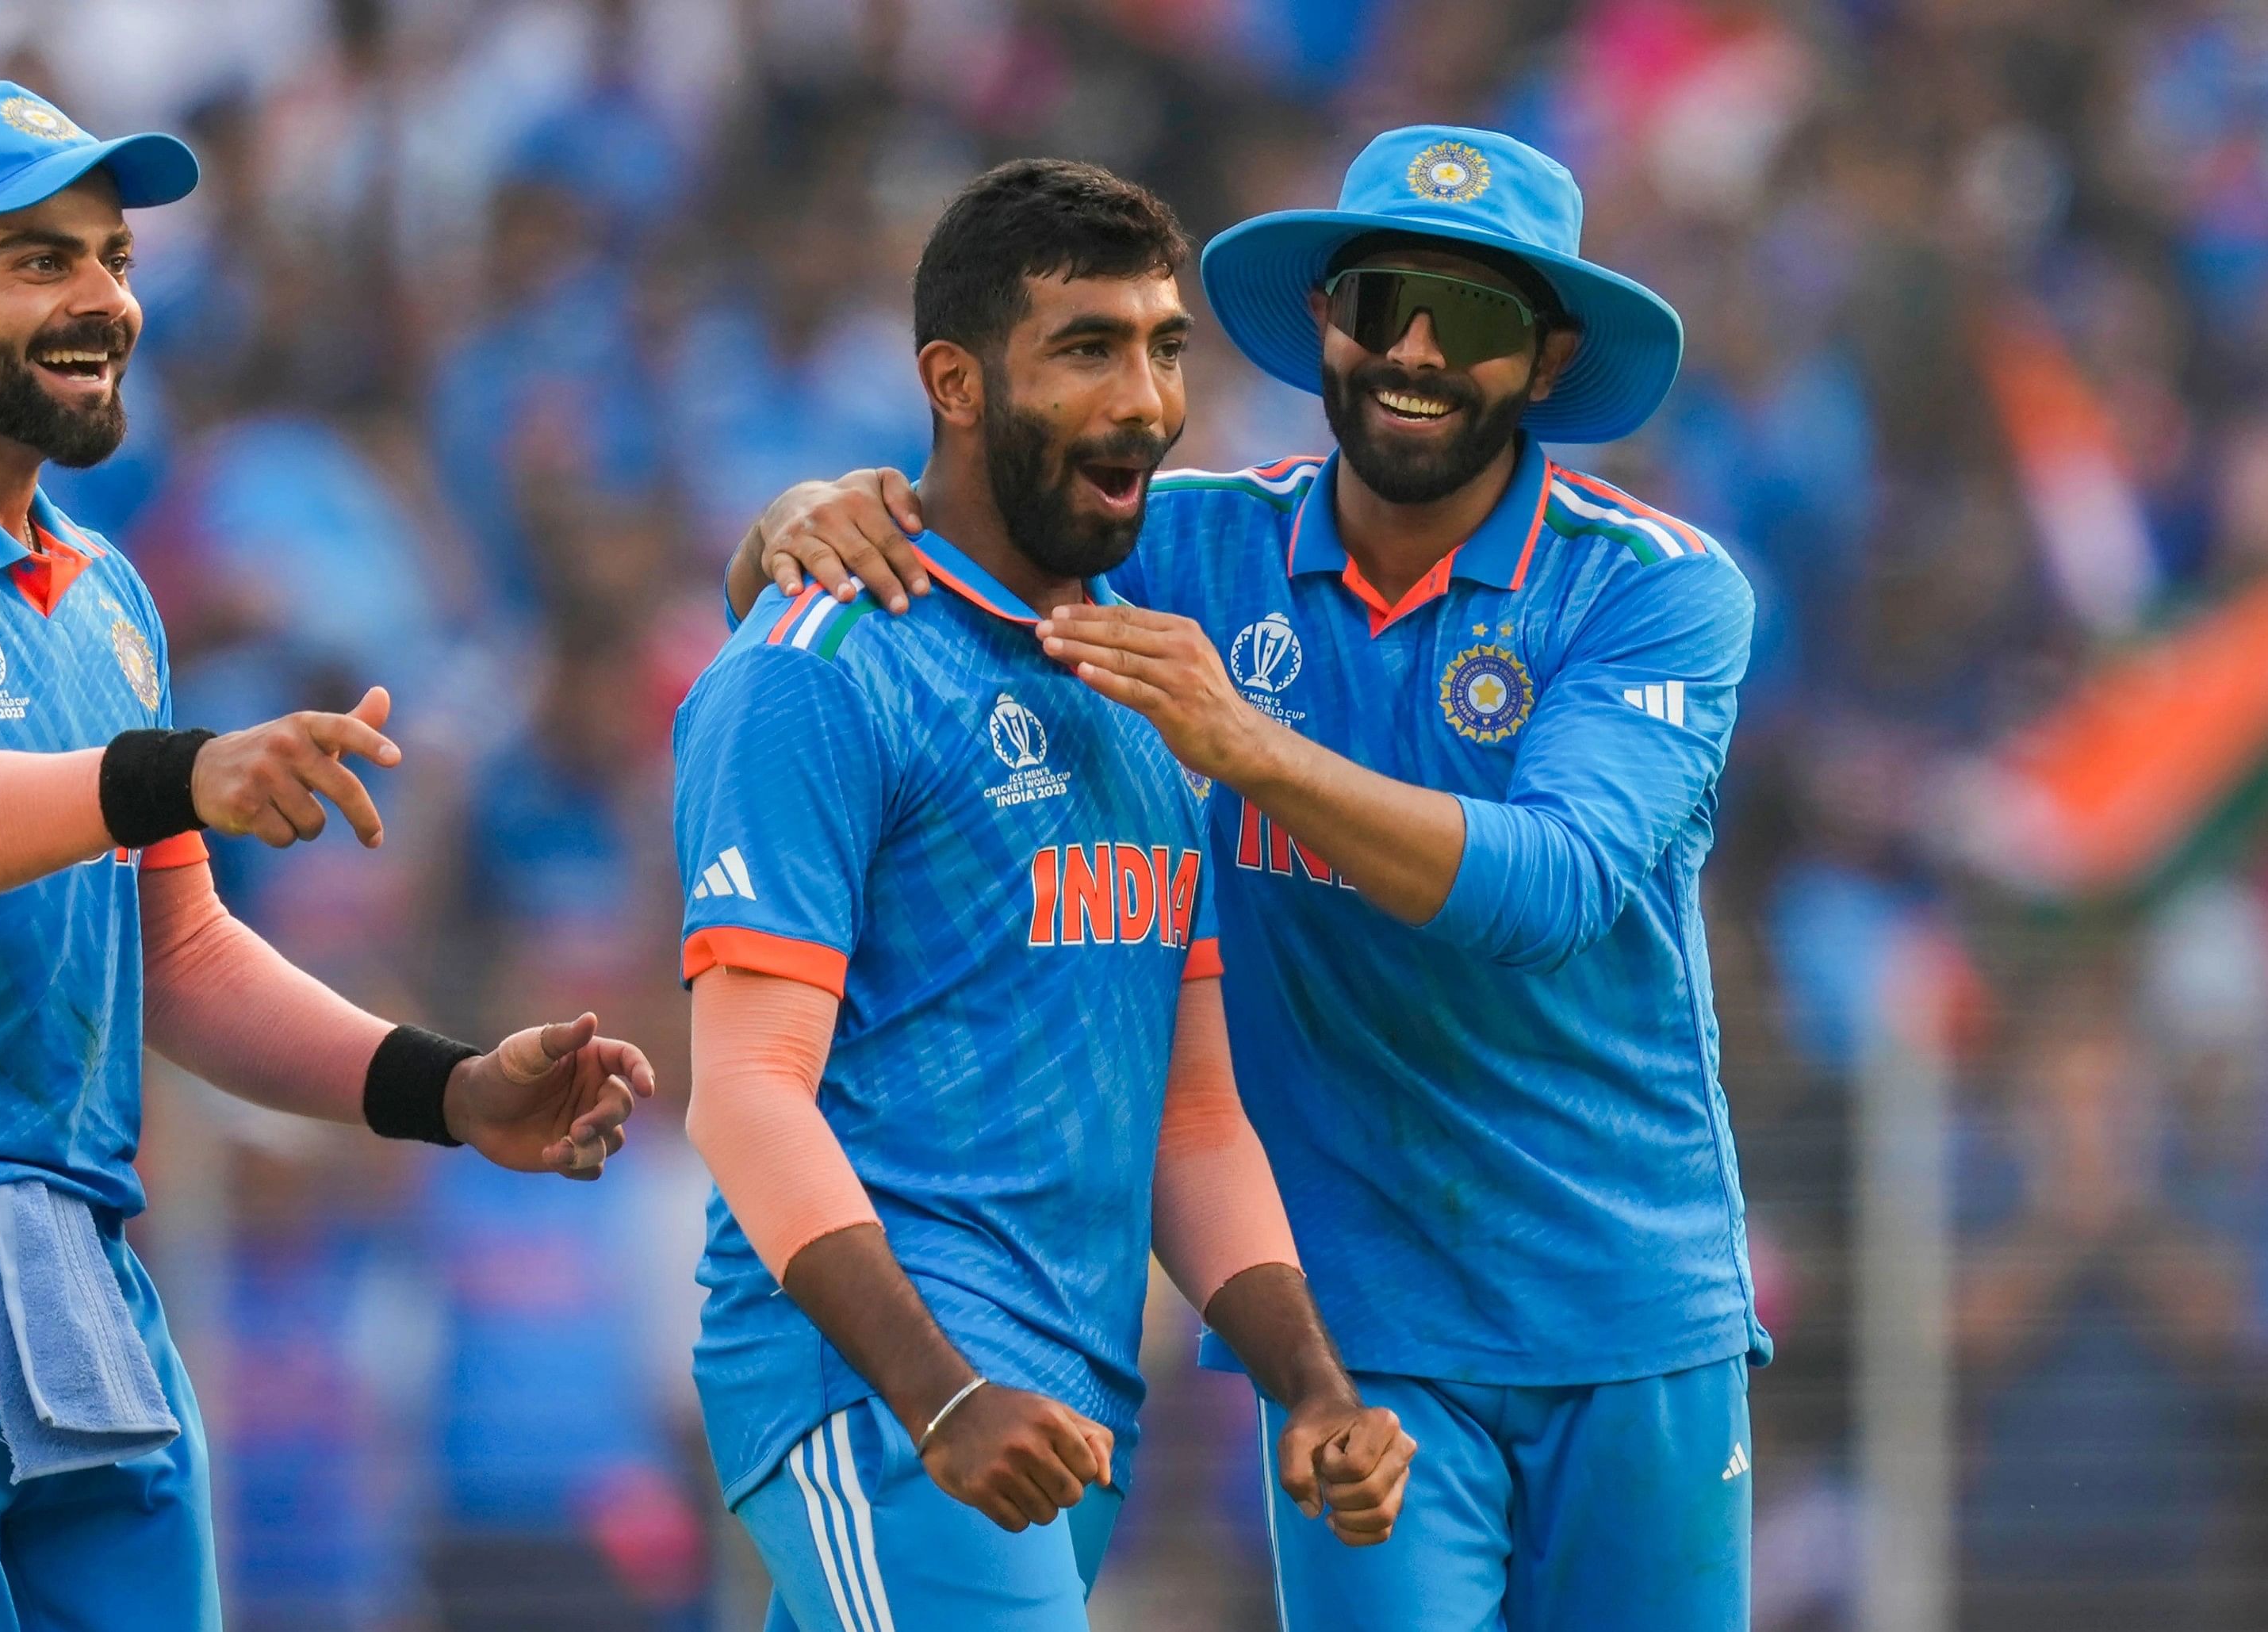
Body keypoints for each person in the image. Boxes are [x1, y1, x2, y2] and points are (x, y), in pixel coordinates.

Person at [726, 128, 1761, 1631]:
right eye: (1382, 301)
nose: (1414, 351)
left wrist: (1246, 745)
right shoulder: (1189, 544)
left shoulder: (1656, 588)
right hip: (1355, 1337)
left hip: (1629, 1306)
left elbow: (1557, 890)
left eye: (1469, 320)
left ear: (1544, 363)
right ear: (1324, 324)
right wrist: (787, 525)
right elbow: (915, 584)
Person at [0, 82, 654, 1632]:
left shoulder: (109, 596)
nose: (103, 301)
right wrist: (177, 774)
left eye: (113, 257)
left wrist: (443, 1088)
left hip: (76, 1269)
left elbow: (178, 957)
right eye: (38, 261)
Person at [676, 159, 1413, 1632]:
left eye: (1162, 345)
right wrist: (940, 1397)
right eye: (1087, 348)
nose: (1143, 399)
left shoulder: (1152, 682)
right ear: (955, 381)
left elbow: (1192, 1117)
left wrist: (1313, 1385)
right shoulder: (816, 666)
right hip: (884, 1395)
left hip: (1062, 1403)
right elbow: (747, 1092)